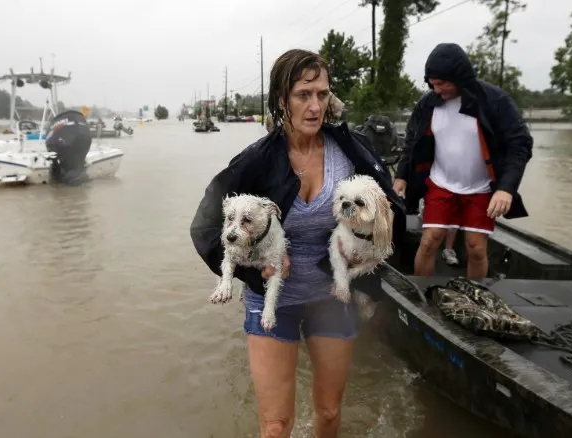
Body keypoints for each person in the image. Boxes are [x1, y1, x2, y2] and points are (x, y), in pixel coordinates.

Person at [190, 49, 404, 438]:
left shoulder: (350, 151)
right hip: (273, 299)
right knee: (275, 426)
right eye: (304, 94)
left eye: (322, 95)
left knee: (328, 411)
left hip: (330, 296)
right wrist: (255, 268)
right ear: (281, 99)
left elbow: (390, 213)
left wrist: (370, 240)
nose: (314, 105)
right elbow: (205, 228)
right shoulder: (255, 160)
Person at [393, 42, 533, 280]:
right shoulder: (427, 104)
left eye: (442, 84)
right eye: (432, 84)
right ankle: (420, 293)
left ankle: (475, 297)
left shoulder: (494, 101)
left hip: (480, 188)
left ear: (459, 77)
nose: (436, 90)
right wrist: (402, 176)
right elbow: (412, 142)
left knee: (475, 248)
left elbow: (520, 143)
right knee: (430, 240)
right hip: (440, 182)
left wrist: (506, 189)